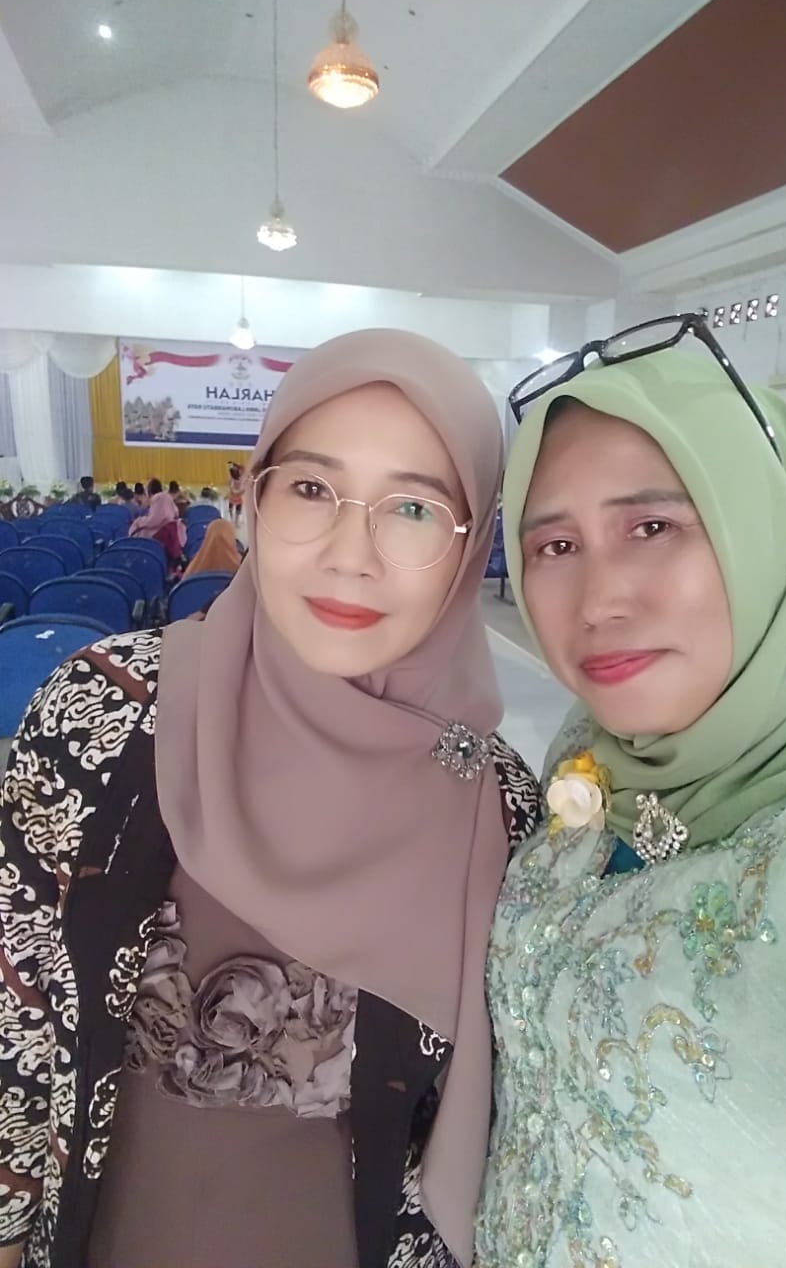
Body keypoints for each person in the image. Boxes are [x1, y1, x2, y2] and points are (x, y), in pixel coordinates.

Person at [0, 329, 539, 1268]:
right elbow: (16, 1010)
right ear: (251, 496)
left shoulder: (500, 810)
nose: (349, 555)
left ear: (470, 541)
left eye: (413, 508)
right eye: (312, 489)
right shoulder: (108, 710)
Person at [475, 320, 786, 1268]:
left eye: (652, 527)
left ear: (763, 531)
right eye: (555, 544)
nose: (597, 600)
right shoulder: (595, 746)